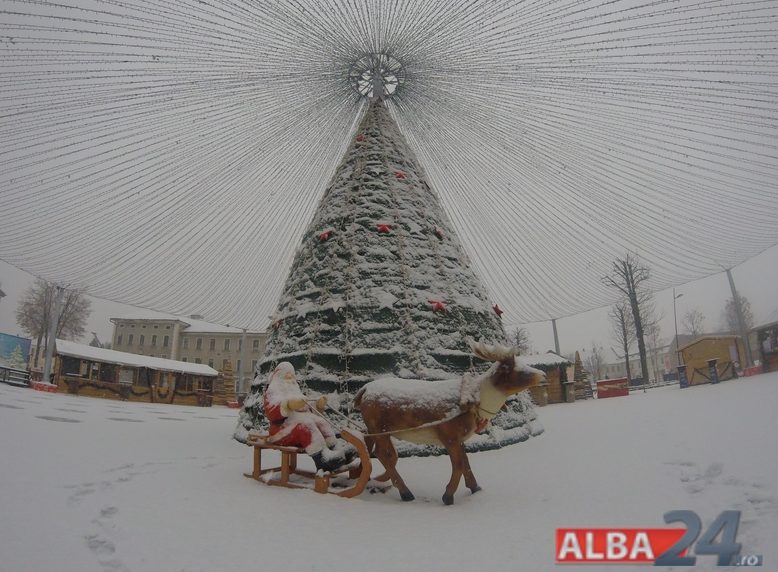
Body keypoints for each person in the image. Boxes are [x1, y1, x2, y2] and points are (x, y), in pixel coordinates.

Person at [263, 362, 355, 472]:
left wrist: (318, 406)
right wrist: (288, 405)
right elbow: (271, 413)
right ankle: (322, 460)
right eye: (286, 375)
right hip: (279, 431)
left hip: (294, 431)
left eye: (292, 375)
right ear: (278, 376)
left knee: (320, 421)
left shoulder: (295, 392)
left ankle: (337, 451)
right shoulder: (272, 393)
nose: (290, 378)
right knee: (306, 425)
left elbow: (307, 411)